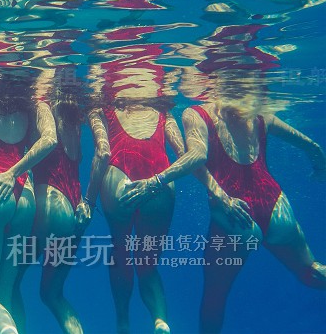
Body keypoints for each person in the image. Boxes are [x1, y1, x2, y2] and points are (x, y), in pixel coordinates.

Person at [122, 72, 326, 333]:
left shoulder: (196, 114)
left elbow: (197, 156)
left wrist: (155, 181)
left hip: (234, 215)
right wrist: (320, 166)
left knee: (215, 298)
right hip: (276, 205)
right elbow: (312, 147)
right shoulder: (261, 114)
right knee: (311, 270)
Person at [84, 45, 185, 334]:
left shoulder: (100, 103)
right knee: (148, 264)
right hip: (161, 181)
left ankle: (123, 322)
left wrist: (88, 201)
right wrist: (216, 191)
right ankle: (160, 320)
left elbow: (103, 151)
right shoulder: (163, 107)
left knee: (120, 251)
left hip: (119, 179)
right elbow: (184, 154)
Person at [0, 68, 57, 334]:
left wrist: (7, 174)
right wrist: (15, 172)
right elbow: (50, 139)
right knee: (7, 291)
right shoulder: (34, 104)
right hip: (25, 198)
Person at [31, 68, 89, 334]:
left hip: (49, 202)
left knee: (8, 283)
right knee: (52, 294)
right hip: (74, 211)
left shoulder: (43, 106)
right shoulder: (75, 117)